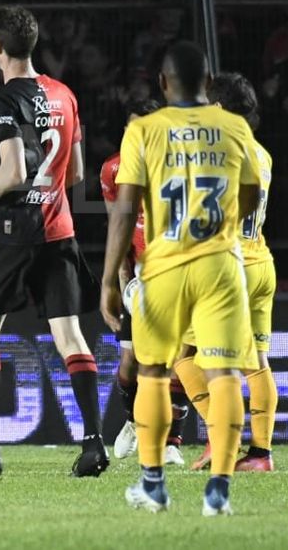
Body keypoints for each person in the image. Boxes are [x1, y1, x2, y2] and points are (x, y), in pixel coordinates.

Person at [0, 6, 107, 478]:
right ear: (32, 44)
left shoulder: (2, 101)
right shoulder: (64, 95)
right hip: (58, 230)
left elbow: (12, 172)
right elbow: (76, 172)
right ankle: (94, 444)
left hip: (13, 233)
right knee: (70, 336)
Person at [101, 43, 261, 515]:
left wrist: (110, 278)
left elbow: (125, 209)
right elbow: (252, 195)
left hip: (164, 264)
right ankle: (219, 491)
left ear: (163, 83)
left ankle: (152, 483)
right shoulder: (234, 127)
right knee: (225, 374)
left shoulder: (145, 131)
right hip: (220, 265)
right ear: (207, 83)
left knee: (152, 373)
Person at [173, 72, 278, 474]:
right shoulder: (261, 153)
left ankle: (221, 444)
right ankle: (260, 454)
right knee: (257, 362)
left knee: (185, 355)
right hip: (260, 263)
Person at [103, 99, 189, 468]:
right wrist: (120, 277)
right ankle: (133, 422)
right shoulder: (113, 170)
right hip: (137, 277)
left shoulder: (180, 166)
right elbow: (117, 225)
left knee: (179, 362)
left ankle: (171, 441)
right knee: (129, 365)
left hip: (176, 274)